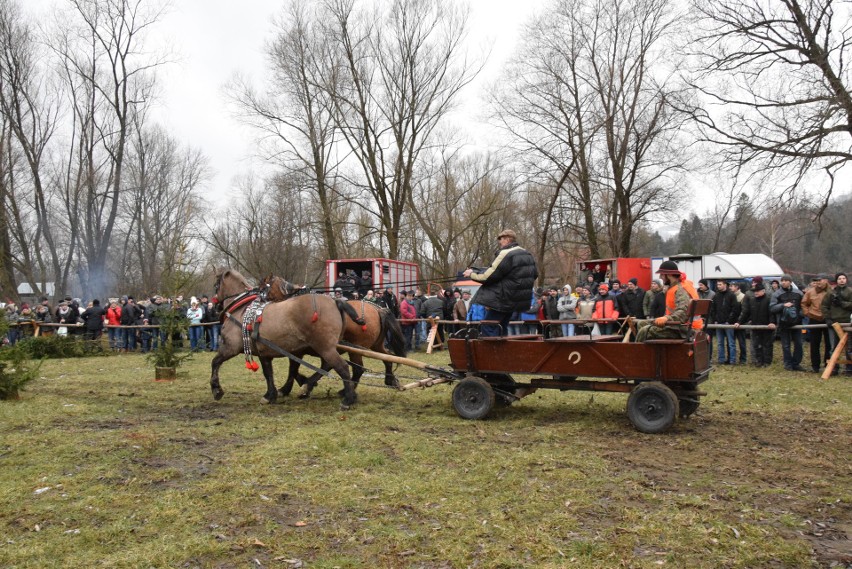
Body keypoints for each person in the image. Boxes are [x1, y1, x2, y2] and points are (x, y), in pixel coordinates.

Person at [463, 229, 538, 337]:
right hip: (516, 301)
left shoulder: (506, 254)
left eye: (501, 239)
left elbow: (487, 276)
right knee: (502, 326)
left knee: (488, 326)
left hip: (503, 299)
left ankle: (493, 353)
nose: (500, 242)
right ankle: (504, 352)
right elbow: (534, 274)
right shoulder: (527, 254)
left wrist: (471, 274)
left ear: (507, 239)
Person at [636, 261, 699, 342]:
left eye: (662, 274)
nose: (660, 277)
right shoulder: (674, 287)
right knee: (641, 323)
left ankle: (640, 353)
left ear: (669, 275)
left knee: (644, 331)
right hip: (675, 326)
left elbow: (682, 312)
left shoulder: (680, 290)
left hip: (681, 330)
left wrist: (666, 318)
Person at [735, 276, 775, 367]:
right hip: (755, 326)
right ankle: (758, 361)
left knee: (767, 345)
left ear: (763, 291)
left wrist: (772, 322)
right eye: (754, 291)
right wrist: (739, 321)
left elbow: (771, 313)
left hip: (767, 326)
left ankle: (767, 362)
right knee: (757, 345)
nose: (755, 293)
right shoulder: (752, 300)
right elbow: (746, 312)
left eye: (757, 291)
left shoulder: (768, 300)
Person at [770, 274, 805, 371]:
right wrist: (783, 305)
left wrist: (800, 315)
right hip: (783, 323)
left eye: (786, 280)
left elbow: (804, 306)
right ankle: (788, 364)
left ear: (790, 282)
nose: (783, 282)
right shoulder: (776, 294)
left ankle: (796, 363)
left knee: (798, 344)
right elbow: (772, 308)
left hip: (797, 323)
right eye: (782, 280)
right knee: (786, 345)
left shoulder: (799, 293)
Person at [821, 272, 852, 375]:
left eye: (843, 278)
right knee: (834, 346)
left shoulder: (850, 291)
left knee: (849, 347)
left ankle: (849, 368)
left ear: (846, 280)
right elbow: (824, 306)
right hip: (834, 322)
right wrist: (827, 318)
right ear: (836, 280)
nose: (842, 280)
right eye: (839, 278)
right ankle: (834, 368)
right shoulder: (831, 293)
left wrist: (842, 303)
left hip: (848, 322)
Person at [801, 274, 831, 373]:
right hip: (814, 318)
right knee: (814, 343)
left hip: (828, 319)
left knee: (829, 344)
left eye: (820, 280)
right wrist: (807, 313)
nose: (818, 282)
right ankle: (815, 366)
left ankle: (828, 364)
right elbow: (804, 303)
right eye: (816, 280)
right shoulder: (810, 292)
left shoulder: (831, 291)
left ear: (826, 280)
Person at [710, 280, 740, 365]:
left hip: (728, 323)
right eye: (717, 284)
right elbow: (713, 309)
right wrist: (715, 319)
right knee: (720, 343)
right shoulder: (716, 296)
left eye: (720, 284)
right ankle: (721, 360)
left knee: (731, 343)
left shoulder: (731, 295)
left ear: (725, 285)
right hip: (719, 322)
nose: (718, 286)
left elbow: (735, 309)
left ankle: (732, 360)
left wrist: (729, 321)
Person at [729, 282, 748, 364]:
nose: (730, 287)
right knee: (730, 342)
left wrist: (739, 321)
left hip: (740, 323)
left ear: (737, 287)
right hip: (731, 322)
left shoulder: (742, 297)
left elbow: (744, 311)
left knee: (741, 342)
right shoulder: (730, 296)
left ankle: (743, 359)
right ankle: (731, 358)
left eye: (732, 286)